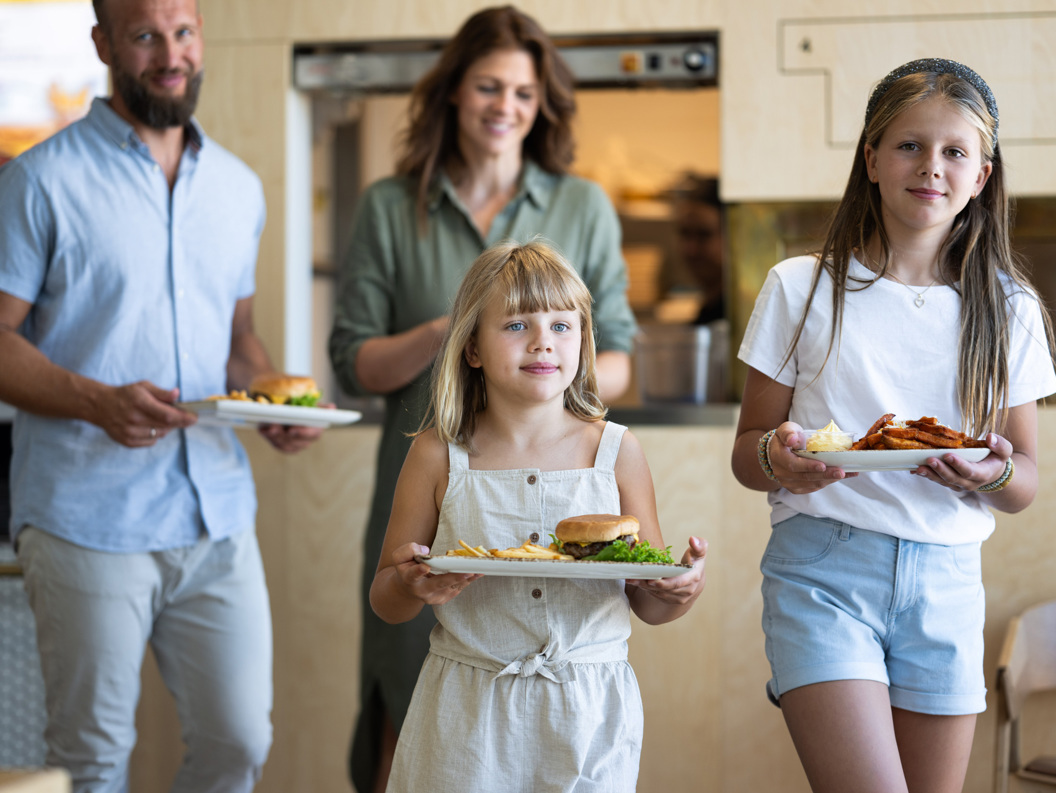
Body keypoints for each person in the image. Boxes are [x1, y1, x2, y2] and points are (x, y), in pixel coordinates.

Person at [0, 0, 324, 790]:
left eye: (183, 32)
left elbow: (237, 339)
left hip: (215, 514)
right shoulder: (39, 179)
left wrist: (275, 402)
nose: (169, 55)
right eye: (145, 35)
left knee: (240, 740)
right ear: (104, 43)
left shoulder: (240, 189)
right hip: (85, 514)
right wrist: (95, 400)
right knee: (91, 761)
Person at [327, 7, 637, 791]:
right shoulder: (391, 207)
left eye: (525, 94)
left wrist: (553, 402)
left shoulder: (583, 205)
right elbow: (353, 359)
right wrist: (456, 325)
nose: (506, 107)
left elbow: (620, 355)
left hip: (562, 482)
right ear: (453, 94)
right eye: (488, 87)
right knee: (416, 701)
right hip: (433, 490)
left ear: (543, 107)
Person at [731, 58, 1056, 793]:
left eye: (954, 151)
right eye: (909, 145)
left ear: (981, 175)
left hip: (945, 580)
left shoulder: (1011, 311)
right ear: (871, 158)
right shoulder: (798, 286)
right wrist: (781, 461)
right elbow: (748, 454)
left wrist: (994, 472)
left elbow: (1024, 481)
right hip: (822, 574)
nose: (930, 166)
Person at [370, 239, 707, 792]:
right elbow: (386, 599)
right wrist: (413, 585)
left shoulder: (617, 452)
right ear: (473, 346)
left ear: (583, 339)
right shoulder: (436, 453)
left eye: (560, 325)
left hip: (587, 716)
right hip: (466, 711)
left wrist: (678, 592)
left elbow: (646, 598)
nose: (542, 343)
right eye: (516, 326)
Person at [671, 174, 725, 326]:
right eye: (684, 233)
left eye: (704, 235)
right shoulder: (709, 311)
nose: (691, 249)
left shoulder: (737, 316)